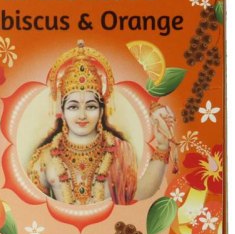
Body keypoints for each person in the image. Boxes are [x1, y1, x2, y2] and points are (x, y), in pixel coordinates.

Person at [27, 41, 175, 205]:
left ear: (101, 111)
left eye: (90, 106)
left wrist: (162, 147)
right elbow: (34, 207)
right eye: (73, 107)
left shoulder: (121, 152)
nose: (82, 115)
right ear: (62, 111)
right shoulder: (44, 157)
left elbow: (140, 192)